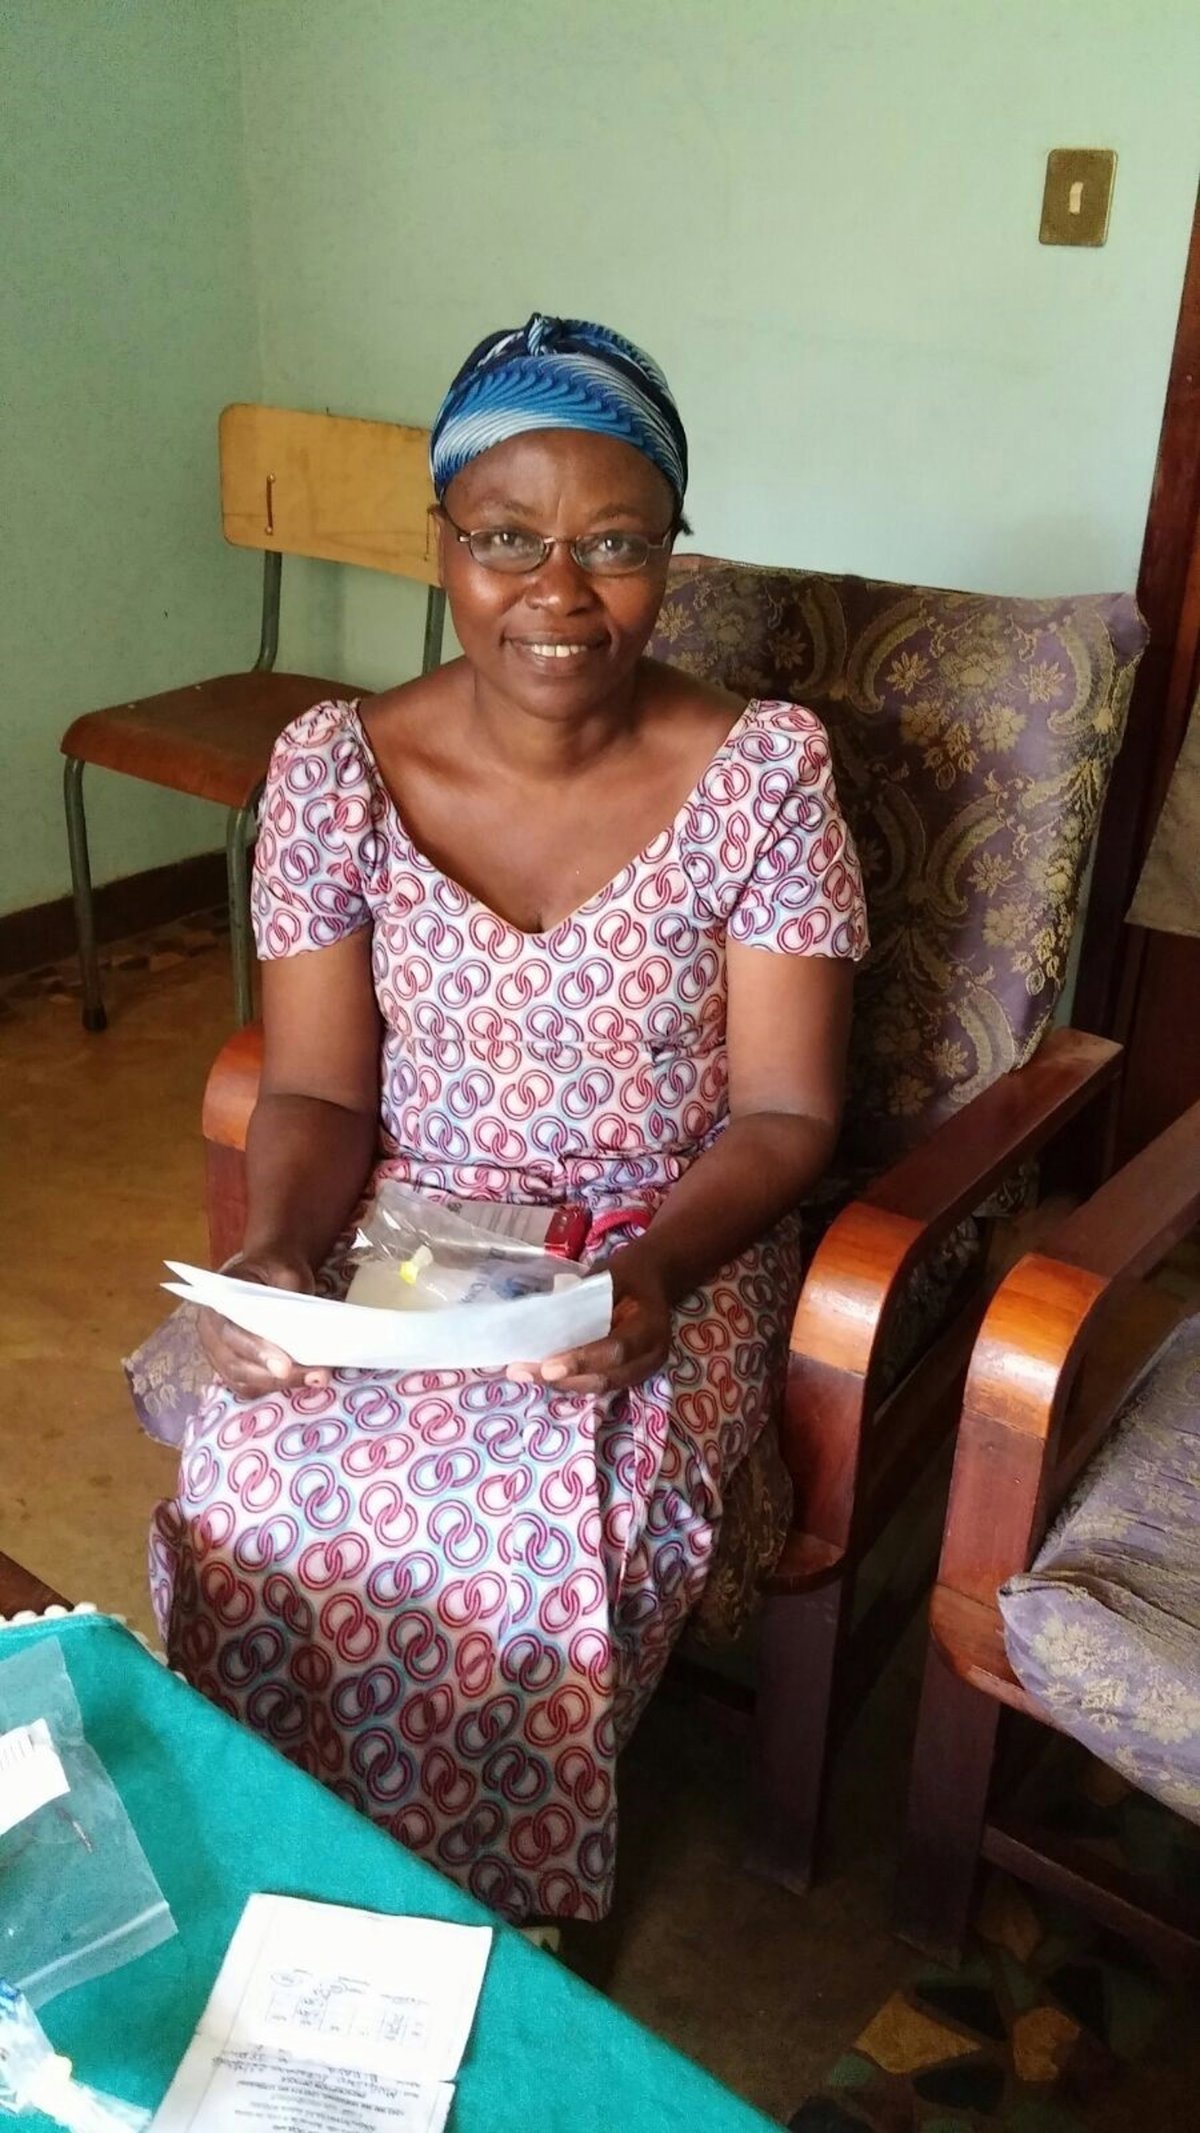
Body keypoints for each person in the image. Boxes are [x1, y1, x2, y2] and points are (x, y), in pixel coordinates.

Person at [150, 314, 868, 1924]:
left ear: (671, 550)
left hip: (670, 1238)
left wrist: (654, 1271)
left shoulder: (762, 776)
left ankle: (489, 1918)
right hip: (412, 1228)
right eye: (506, 539)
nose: (560, 590)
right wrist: (279, 1247)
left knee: (554, 1508)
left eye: (616, 542)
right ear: (443, 543)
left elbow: (785, 1109)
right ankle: (286, 1883)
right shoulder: (333, 773)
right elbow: (318, 1087)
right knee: (252, 1463)